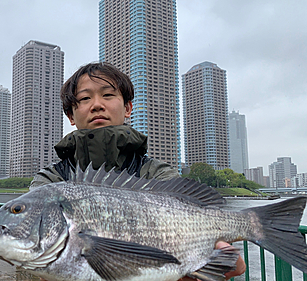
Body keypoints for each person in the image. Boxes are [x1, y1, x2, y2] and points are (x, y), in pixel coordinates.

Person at [31, 62, 245, 280]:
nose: (97, 105)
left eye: (108, 95)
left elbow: (187, 216)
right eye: (85, 98)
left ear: (127, 108)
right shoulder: (50, 182)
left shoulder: (157, 174)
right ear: (70, 115)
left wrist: (206, 264)